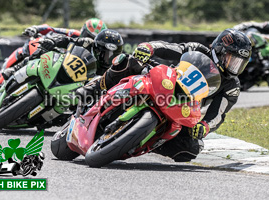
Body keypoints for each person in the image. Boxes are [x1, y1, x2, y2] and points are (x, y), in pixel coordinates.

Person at [76, 28, 252, 162]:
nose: (234, 66)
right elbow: (169, 48)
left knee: (190, 148)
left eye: (239, 63)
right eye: (232, 59)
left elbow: (218, 113)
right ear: (220, 51)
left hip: (184, 107)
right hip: (165, 82)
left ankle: (140, 141)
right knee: (128, 61)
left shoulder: (231, 86)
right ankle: (94, 87)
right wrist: (149, 48)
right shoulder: (197, 49)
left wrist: (205, 126)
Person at [23, 18, 108, 39]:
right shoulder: (74, 34)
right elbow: (52, 29)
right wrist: (36, 28)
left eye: (94, 38)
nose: (91, 40)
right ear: (83, 30)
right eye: (89, 36)